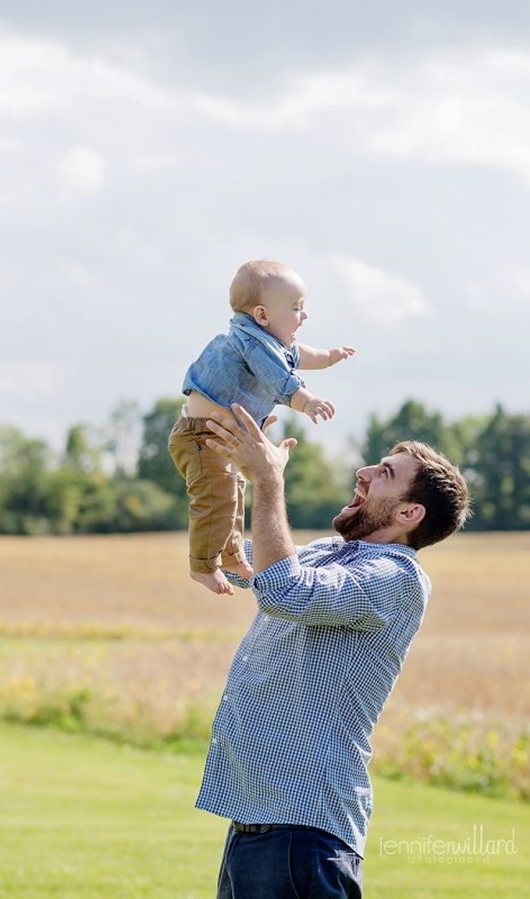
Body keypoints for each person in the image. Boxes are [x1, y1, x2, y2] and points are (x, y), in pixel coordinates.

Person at [195, 403, 471, 899]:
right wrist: (224, 467)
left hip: (304, 834)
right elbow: (235, 559)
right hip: (258, 824)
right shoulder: (331, 551)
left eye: (385, 473)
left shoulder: (397, 577)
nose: (363, 471)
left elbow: (284, 591)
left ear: (409, 513)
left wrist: (269, 481)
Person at [168, 259, 355, 596]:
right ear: (262, 316)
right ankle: (203, 565)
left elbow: (299, 354)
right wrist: (306, 401)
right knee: (216, 500)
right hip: (200, 436)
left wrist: (329, 355)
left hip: (217, 436)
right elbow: (281, 378)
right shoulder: (253, 344)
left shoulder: (269, 342)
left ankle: (232, 555)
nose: (305, 315)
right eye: (296, 308)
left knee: (235, 494)